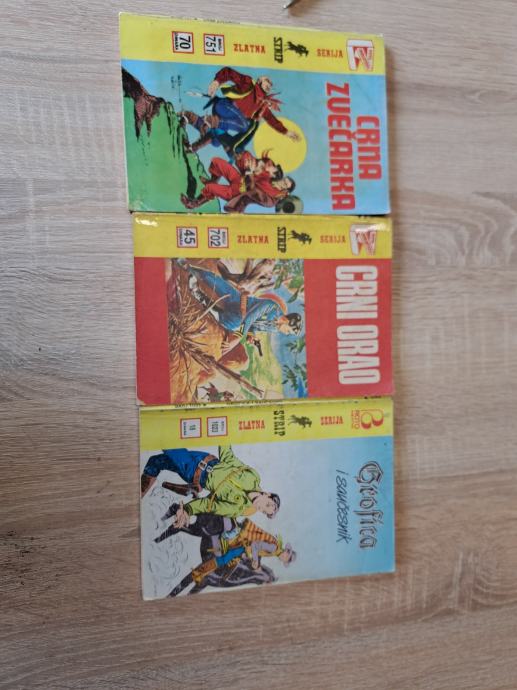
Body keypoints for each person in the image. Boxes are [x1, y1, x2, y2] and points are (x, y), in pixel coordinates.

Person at [140, 446, 280, 529]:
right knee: (155, 461)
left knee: (167, 443)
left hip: (193, 472)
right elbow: (229, 457)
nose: (261, 508)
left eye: (264, 511)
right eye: (267, 504)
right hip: (204, 457)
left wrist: (188, 510)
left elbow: (209, 505)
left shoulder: (238, 509)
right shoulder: (253, 477)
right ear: (267, 494)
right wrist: (225, 432)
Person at [179, 261, 302, 355]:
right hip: (239, 302)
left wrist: (251, 335)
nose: (286, 333)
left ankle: (199, 295)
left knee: (232, 323)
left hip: (238, 317)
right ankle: (187, 266)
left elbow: (254, 325)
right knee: (213, 280)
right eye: (288, 331)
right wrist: (237, 338)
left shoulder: (274, 328)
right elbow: (250, 318)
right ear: (286, 320)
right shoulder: (271, 307)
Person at [180, 68, 300, 154]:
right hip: (224, 106)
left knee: (216, 140)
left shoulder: (262, 105)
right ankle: (210, 121)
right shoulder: (249, 83)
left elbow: (272, 120)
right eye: (267, 81)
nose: (270, 84)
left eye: (271, 84)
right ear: (259, 80)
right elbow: (229, 72)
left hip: (228, 118)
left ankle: (189, 120)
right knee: (244, 125)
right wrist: (217, 81)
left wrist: (286, 132)